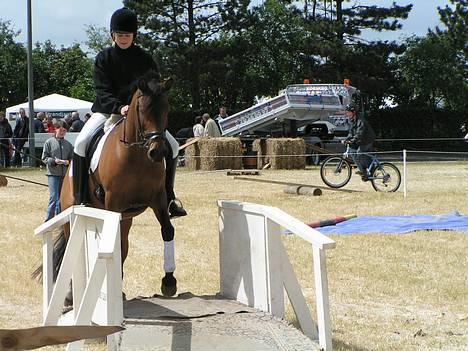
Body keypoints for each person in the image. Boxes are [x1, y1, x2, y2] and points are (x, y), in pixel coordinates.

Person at [72, 7, 186, 217]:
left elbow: (154, 89)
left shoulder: (145, 59)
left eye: (127, 35)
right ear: (112, 35)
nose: (123, 38)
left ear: (134, 35)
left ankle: (169, 198)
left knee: (174, 145)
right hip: (108, 112)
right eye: (119, 34)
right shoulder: (103, 58)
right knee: (81, 143)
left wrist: (141, 109)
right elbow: (102, 90)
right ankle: (81, 199)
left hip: (141, 116)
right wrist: (119, 107)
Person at [42, 120, 73, 221]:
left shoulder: (68, 144)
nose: (62, 132)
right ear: (55, 129)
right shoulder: (49, 142)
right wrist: (54, 161)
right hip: (53, 174)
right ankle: (48, 221)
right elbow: (44, 158)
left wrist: (67, 162)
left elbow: (72, 159)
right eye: (60, 130)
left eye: (64, 130)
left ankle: (59, 221)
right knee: (54, 198)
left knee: (61, 199)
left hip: (64, 175)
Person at [343, 103, 376, 181]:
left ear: (353, 112)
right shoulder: (352, 120)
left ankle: (370, 170)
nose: (347, 114)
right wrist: (346, 139)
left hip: (367, 140)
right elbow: (351, 132)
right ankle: (364, 171)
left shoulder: (361, 120)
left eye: (348, 112)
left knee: (359, 153)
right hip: (361, 140)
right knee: (352, 152)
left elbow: (359, 133)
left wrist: (353, 140)